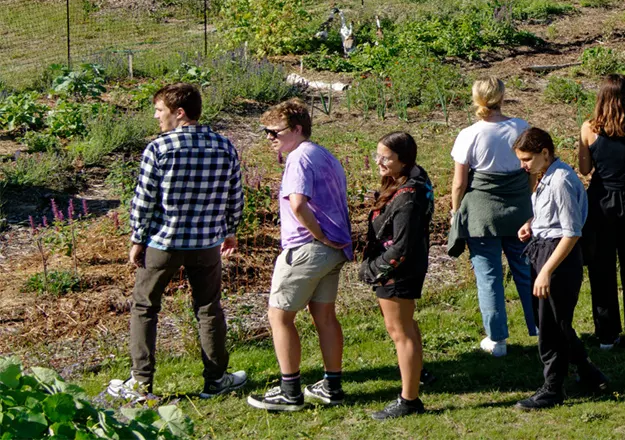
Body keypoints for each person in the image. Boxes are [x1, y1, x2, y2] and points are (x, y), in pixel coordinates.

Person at [109, 83, 247, 403]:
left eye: (160, 111)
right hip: (206, 245)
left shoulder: (158, 149)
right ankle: (215, 380)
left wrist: (137, 238)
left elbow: (144, 202)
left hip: (164, 243)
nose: (157, 117)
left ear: (179, 113)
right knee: (208, 308)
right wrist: (229, 230)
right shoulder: (224, 146)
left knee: (145, 307)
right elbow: (235, 197)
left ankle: (141, 383)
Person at [248, 100, 353, 412]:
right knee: (325, 317)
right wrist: (328, 239)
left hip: (306, 249)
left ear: (296, 129)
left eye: (274, 132)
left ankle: (289, 390)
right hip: (334, 249)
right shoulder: (324, 155)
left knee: (279, 317)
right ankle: (331, 385)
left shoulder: (299, 157)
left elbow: (297, 204)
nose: (269, 138)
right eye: (266, 133)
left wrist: (317, 235)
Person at [513, 127, 610, 409]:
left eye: (527, 159)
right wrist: (532, 224)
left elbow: (571, 232)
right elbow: (554, 215)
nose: (523, 165)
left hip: (559, 257)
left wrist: (546, 271)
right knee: (554, 320)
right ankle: (590, 374)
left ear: (545, 152)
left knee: (551, 327)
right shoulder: (545, 176)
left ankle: (552, 388)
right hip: (544, 248)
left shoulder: (561, 180)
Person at [450, 78, 536, 358]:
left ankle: (497, 340)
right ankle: (541, 326)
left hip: (481, 214)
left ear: (475, 99)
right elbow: (532, 171)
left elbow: (460, 183)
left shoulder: (469, 134)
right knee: (526, 271)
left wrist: (455, 211)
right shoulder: (521, 127)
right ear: (503, 96)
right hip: (518, 211)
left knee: (489, 277)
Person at [576, 75, 625, 351]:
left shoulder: (589, 128)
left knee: (601, 267)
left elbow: (585, 170)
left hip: (601, 200)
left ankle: (607, 333)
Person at [359, 132, 433, 421]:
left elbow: (401, 246)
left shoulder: (408, 198)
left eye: (386, 158)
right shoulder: (412, 180)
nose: (378, 161)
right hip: (404, 269)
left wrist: (374, 269)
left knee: (400, 332)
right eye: (377, 154)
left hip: (397, 273)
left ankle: (409, 399)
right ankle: (415, 374)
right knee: (407, 327)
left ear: (404, 161)